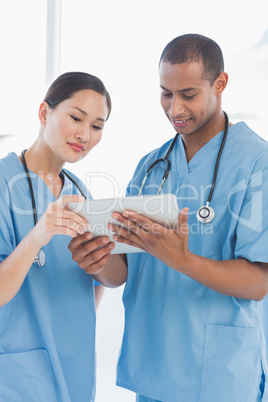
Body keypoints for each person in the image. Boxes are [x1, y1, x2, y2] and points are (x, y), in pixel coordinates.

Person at [69, 34, 268, 401]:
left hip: (219, 377)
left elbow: (260, 281)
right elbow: (121, 271)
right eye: (165, 93)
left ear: (220, 83)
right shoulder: (151, 166)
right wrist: (95, 260)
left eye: (188, 94)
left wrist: (184, 260)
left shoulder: (257, 164)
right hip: (153, 373)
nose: (174, 108)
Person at [0, 71, 115, 401]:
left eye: (96, 126)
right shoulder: (4, 183)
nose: (84, 134)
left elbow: (94, 283)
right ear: (44, 112)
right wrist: (38, 235)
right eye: (76, 118)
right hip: (17, 373)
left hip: (74, 369)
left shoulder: (81, 194)